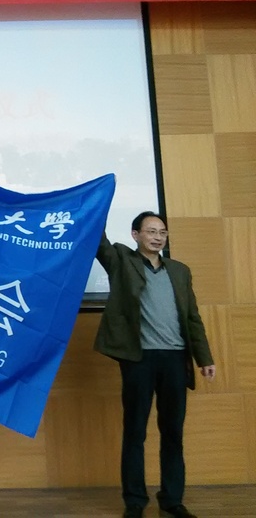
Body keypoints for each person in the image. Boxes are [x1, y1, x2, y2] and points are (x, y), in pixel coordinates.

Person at [94, 211, 215, 518]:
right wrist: (97, 202)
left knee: (173, 432)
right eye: (151, 231)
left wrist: (204, 358)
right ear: (135, 235)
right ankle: (135, 501)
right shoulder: (122, 261)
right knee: (135, 431)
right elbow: (97, 240)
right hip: (140, 360)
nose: (158, 237)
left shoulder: (180, 271)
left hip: (175, 359)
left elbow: (192, 317)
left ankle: (172, 500)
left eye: (162, 232)